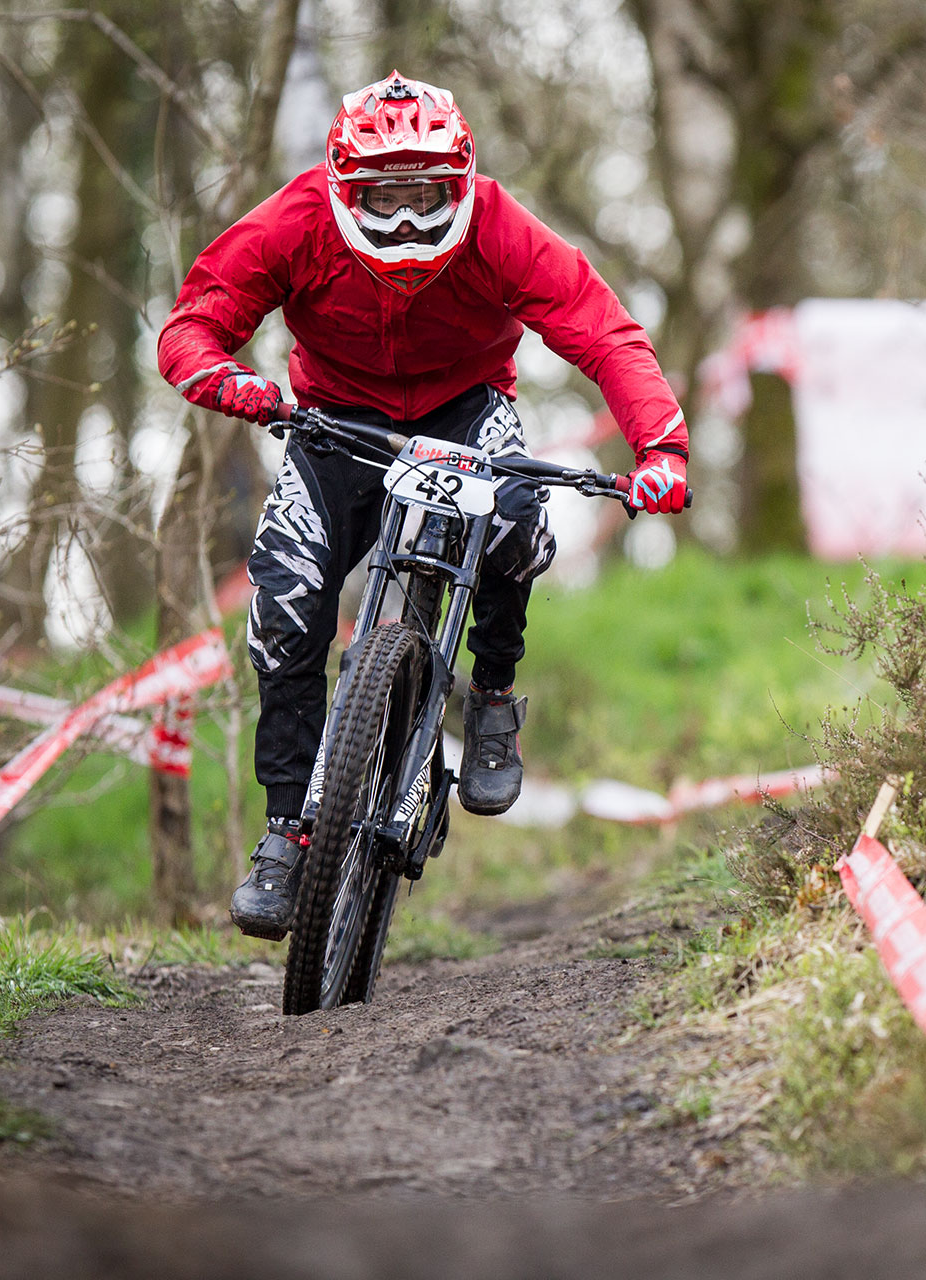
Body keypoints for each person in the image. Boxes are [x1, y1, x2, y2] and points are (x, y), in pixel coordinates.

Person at [155, 72, 689, 940]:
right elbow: (192, 322)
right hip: (333, 419)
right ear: (342, 189)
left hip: (465, 407)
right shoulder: (296, 219)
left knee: (519, 524)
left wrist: (660, 447)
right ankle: (287, 833)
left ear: (462, 184)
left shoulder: (500, 225)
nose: (405, 222)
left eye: (427, 196)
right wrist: (228, 379)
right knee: (285, 601)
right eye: (382, 199)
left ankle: (491, 695)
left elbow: (604, 331)